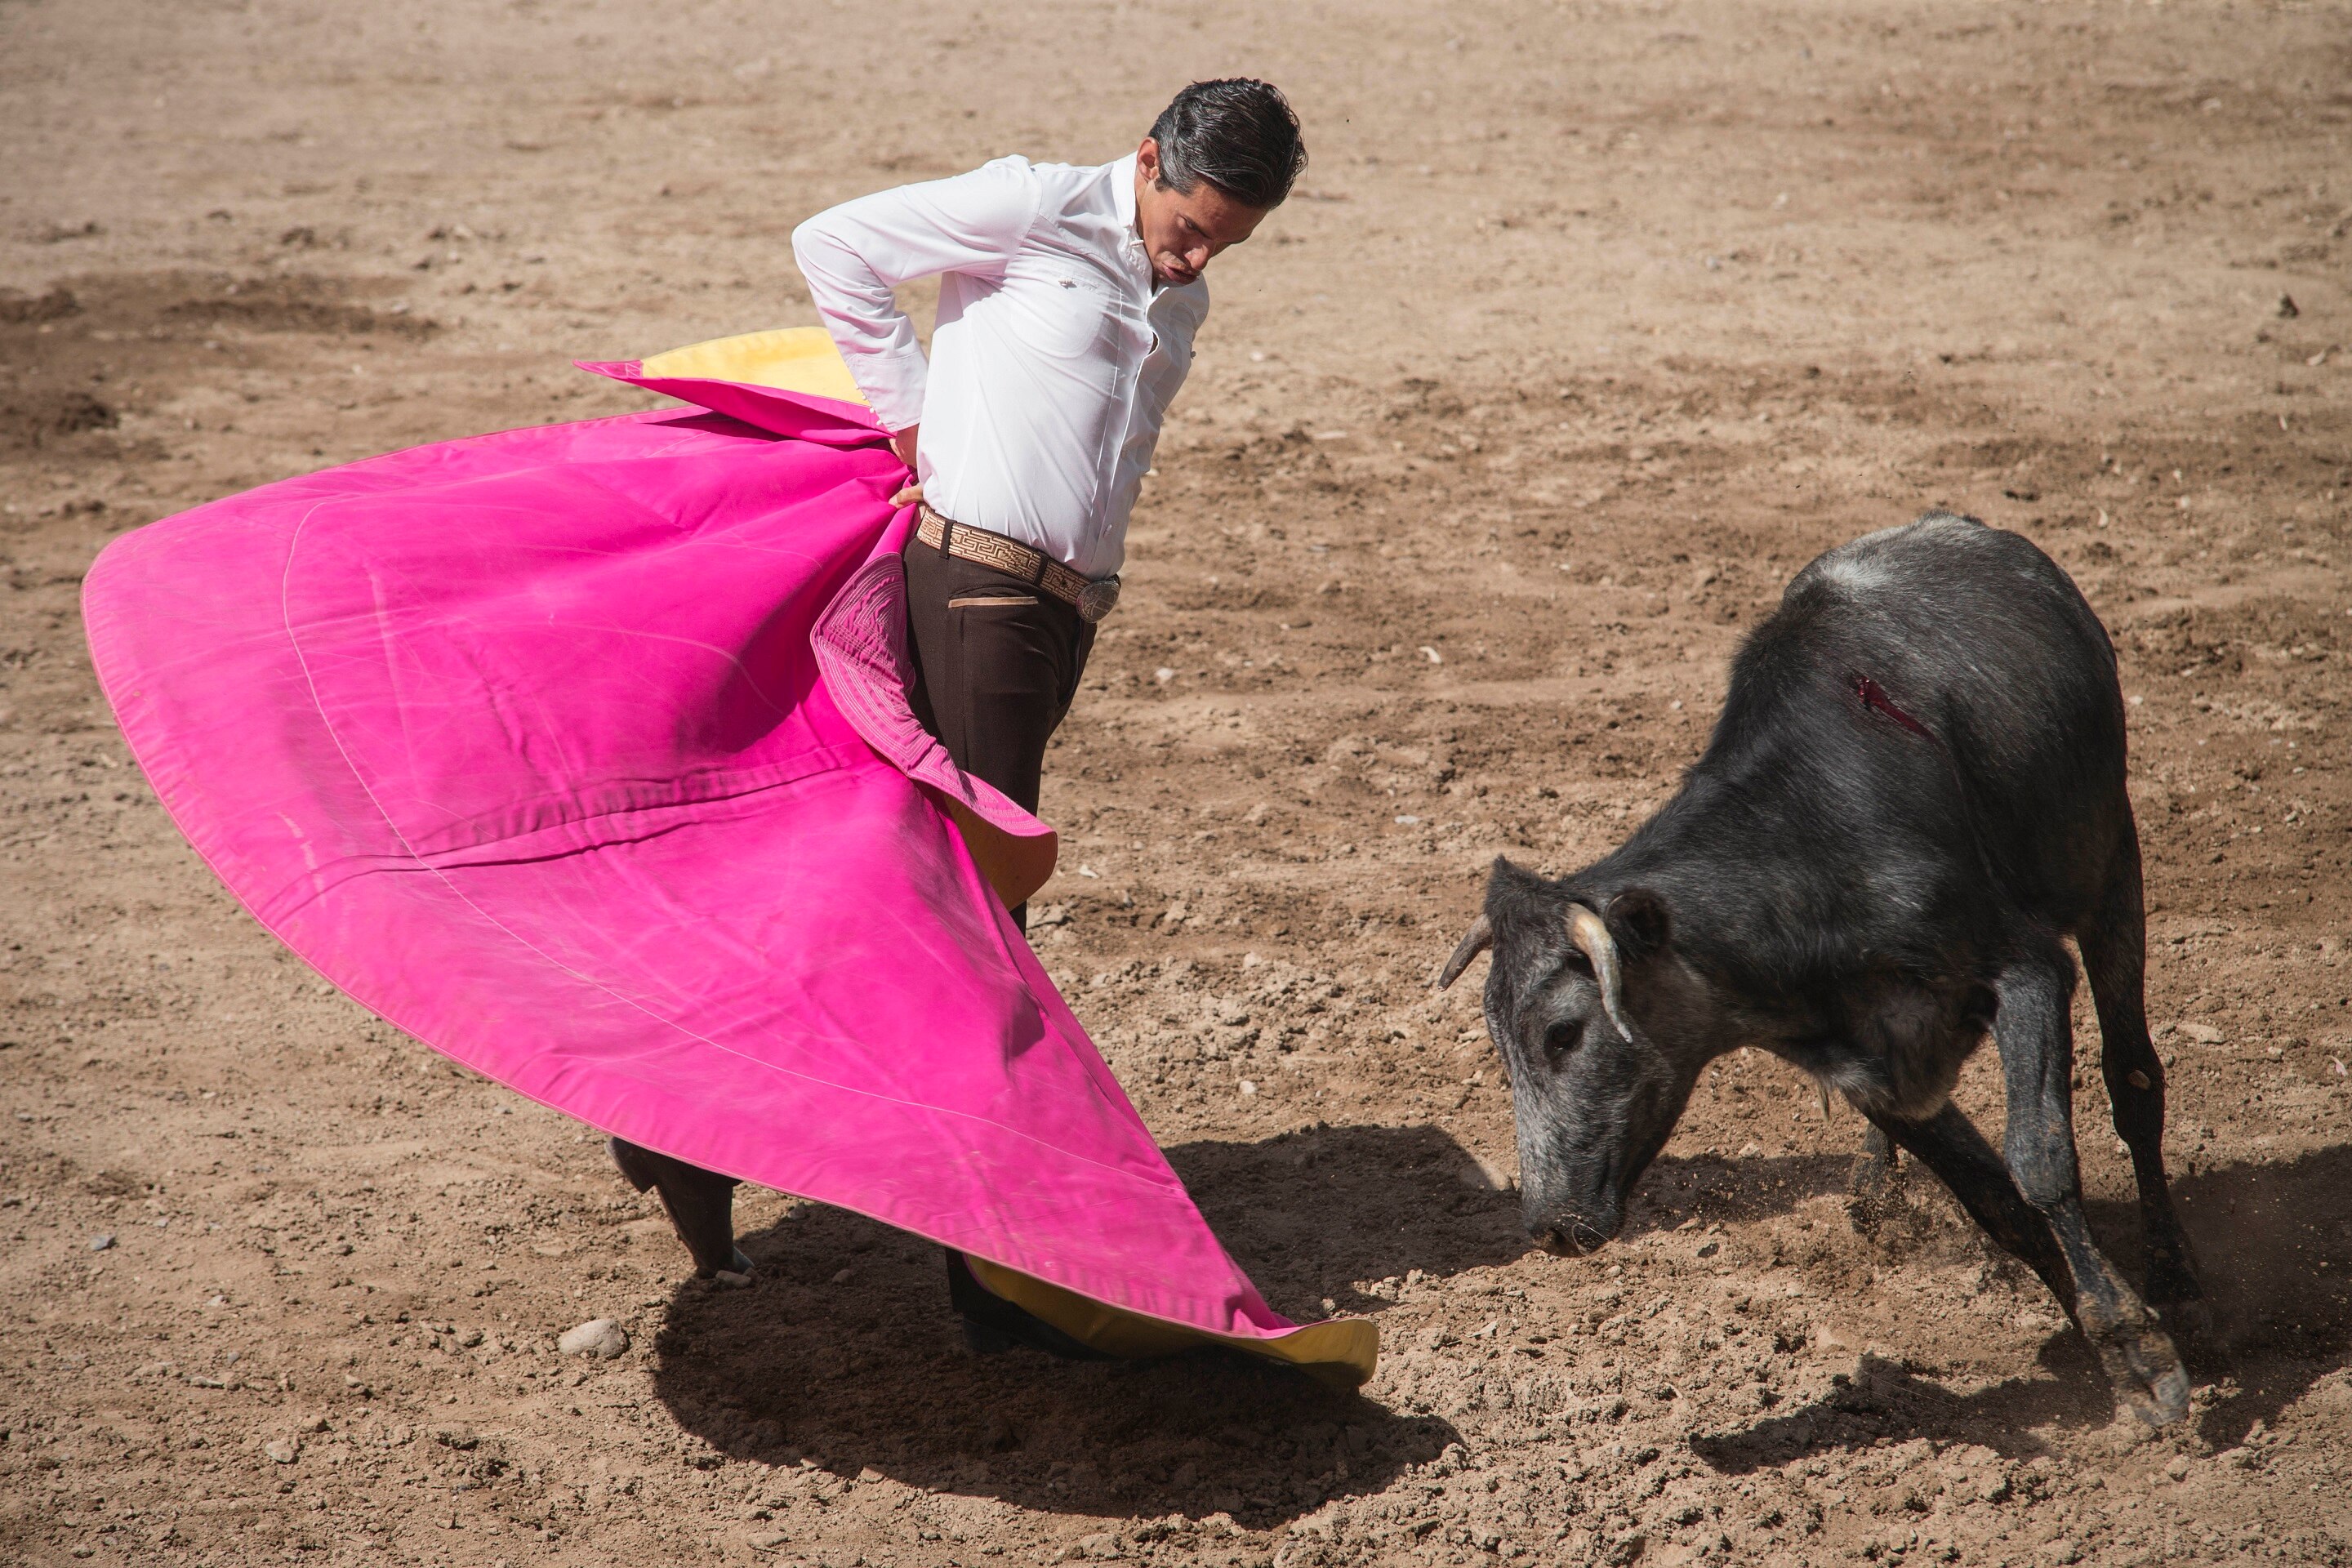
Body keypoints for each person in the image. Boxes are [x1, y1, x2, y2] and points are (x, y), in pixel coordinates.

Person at [610, 79, 1308, 1352]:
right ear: (1148, 159)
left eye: (1225, 244)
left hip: (1057, 615)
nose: (1196, 257)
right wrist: (913, 419)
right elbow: (837, 244)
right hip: (978, 585)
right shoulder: (1038, 207)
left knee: (899, 881)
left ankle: (675, 1123)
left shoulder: (1180, 293)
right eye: (1190, 225)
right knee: (986, 916)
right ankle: (990, 1272)